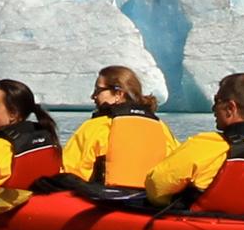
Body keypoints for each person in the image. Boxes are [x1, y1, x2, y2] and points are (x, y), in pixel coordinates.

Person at [141, 71, 244, 222]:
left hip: (191, 229)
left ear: (230, 108)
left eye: (217, 101)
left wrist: (170, 203)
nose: (213, 109)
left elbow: (156, 185)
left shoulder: (205, 145)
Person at [56, 66, 179, 195]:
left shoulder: (98, 126)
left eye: (99, 90)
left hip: (106, 202)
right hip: (149, 203)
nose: (93, 96)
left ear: (118, 94)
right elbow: (175, 167)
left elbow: (71, 172)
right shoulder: (161, 127)